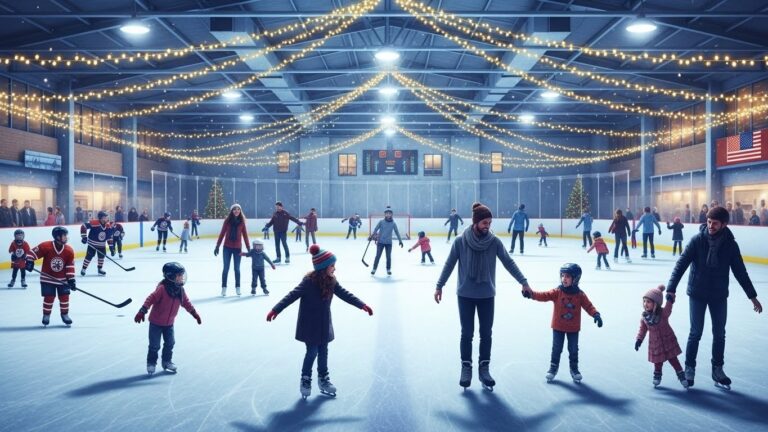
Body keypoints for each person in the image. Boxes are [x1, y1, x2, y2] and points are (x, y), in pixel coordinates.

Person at [435, 202, 533, 390]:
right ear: (475, 222)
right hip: (465, 294)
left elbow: (508, 262)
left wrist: (524, 281)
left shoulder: (494, 242)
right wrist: (440, 286)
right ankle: (466, 367)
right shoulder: (460, 241)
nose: (487, 226)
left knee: (486, 334)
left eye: (489, 222)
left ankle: (484, 368)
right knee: (467, 333)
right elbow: (449, 265)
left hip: (487, 294)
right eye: (484, 222)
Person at [666, 206, 763, 389]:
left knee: (719, 334)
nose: (710, 226)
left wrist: (752, 297)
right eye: (709, 222)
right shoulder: (697, 240)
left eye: (714, 223)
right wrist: (671, 288)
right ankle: (689, 368)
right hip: (697, 292)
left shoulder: (730, 245)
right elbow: (681, 264)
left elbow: (740, 272)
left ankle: (717, 369)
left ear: (724, 224)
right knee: (696, 332)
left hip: (718, 294)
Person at [266, 244, 373, 399]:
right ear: (323, 267)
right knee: (312, 351)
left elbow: (345, 294)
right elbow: (292, 295)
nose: (334, 269)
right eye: (332, 266)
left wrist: (361, 305)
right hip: (310, 325)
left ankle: (323, 379)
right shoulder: (308, 282)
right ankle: (305, 379)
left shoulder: (331, 281)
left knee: (323, 351)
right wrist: (276, 309)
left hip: (324, 324)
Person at [523, 263, 602, 383]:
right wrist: (532, 294)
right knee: (556, 348)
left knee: (573, 349)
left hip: (573, 328)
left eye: (568, 276)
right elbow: (544, 295)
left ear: (575, 279)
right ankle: (553, 368)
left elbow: (588, 306)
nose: (564, 278)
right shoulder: (558, 291)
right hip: (558, 326)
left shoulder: (580, 294)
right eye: (563, 276)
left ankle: (574, 369)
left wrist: (596, 314)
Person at [134, 262, 201, 375]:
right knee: (154, 345)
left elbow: (186, 303)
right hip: (156, 323)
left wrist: (194, 314)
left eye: (182, 275)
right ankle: (151, 363)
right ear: (170, 276)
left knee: (170, 343)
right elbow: (150, 299)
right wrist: (142, 311)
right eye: (179, 275)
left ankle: (166, 361)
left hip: (169, 323)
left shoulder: (180, 290)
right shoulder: (162, 289)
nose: (181, 278)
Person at [635, 284, 688, 389]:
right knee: (657, 362)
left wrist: (670, 298)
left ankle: (681, 375)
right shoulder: (644, 317)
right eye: (644, 301)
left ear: (656, 303)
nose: (645, 304)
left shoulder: (663, 313)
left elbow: (669, 306)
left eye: (648, 302)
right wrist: (639, 340)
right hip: (655, 343)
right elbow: (642, 329)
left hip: (668, 340)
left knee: (673, 359)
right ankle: (657, 375)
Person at [25, 226, 77, 326]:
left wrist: (71, 280)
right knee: (49, 298)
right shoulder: (46, 246)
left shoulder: (69, 250)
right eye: (64, 235)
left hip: (63, 280)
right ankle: (46, 315)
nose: (66, 237)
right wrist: (30, 262)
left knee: (64, 297)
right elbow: (31, 253)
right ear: (57, 237)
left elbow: (70, 266)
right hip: (47, 279)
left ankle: (65, 315)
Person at [214, 204, 250, 296]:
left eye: (238, 209)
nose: (236, 211)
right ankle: (224, 288)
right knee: (226, 268)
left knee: (237, 269)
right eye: (234, 209)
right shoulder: (227, 221)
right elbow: (222, 233)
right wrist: (217, 246)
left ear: (240, 211)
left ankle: (238, 287)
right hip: (227, 248)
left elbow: (245, 235)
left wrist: (249, 248)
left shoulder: (242, 221)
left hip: (238, 248)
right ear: (231, 211)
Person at [369, 207, 403, 276]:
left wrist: (400, 241)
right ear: (385, 214)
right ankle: (374, 269)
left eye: (389, 214)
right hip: (380, 242)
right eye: (387, 213)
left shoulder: (393, 223)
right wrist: (371, 236)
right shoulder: (381, 222)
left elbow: (397, 232)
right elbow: (375, 229)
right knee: (378, 256)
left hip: (388, 243)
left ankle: (388, 269)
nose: (388, 215)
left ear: (391, 215)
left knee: (388, 257)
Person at [80, 210, 112, 276]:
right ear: (101, 218)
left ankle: (100, 269)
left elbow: (109, 236)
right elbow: (83, 226)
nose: (107, 218)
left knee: (101, 257)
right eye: (105, 217)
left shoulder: (108, 225)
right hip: (92, 244)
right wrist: (84, 237)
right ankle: (83, 269)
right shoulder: (94, 223)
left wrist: (111, 246)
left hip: (102, 245)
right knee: (89, 256)